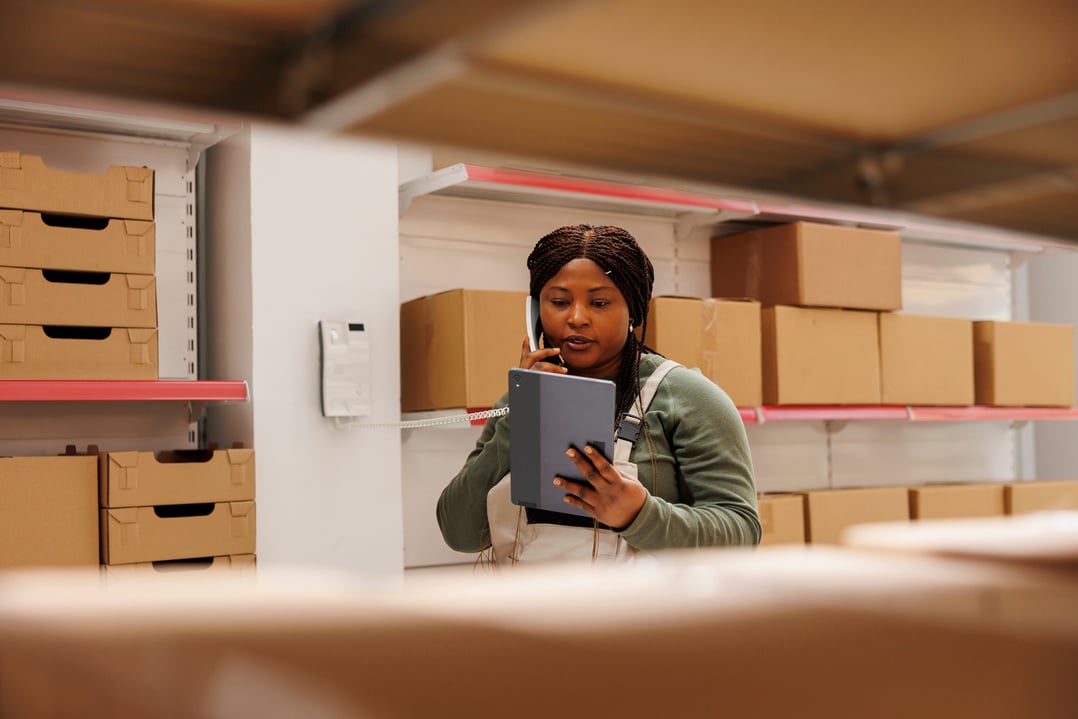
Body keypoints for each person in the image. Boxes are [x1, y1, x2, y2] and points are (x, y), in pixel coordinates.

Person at [436, 224, 760, 564]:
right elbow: (460, 534)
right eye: (559, 302)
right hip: (534, 615)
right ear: (535, 311)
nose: (577, 318)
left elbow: (741, 533)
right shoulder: (519, 401)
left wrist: (639, 514)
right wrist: (520, 416)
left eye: (600, 302)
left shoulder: (689, 399)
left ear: (634, 310)